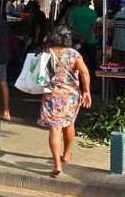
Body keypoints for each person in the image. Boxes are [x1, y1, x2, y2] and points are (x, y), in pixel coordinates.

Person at [38, 26, 92, 177]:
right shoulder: (73, 54)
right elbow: (84, 72)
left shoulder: (47, 53)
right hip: (70, 97)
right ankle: (67, 154)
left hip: (51, 95)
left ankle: (57, 164)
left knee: (54, 129)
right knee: (69, 124)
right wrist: (86, 91)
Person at [66, 0, 99, 64]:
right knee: (91, 61)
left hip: (76, 40)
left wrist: (79, 35)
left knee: (76, 61)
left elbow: (69, 26)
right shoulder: (92, 13)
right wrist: (85, 37)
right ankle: (90, 74)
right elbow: (93, 27)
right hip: (90, 41)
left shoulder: (74, 12)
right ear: (89, 3)